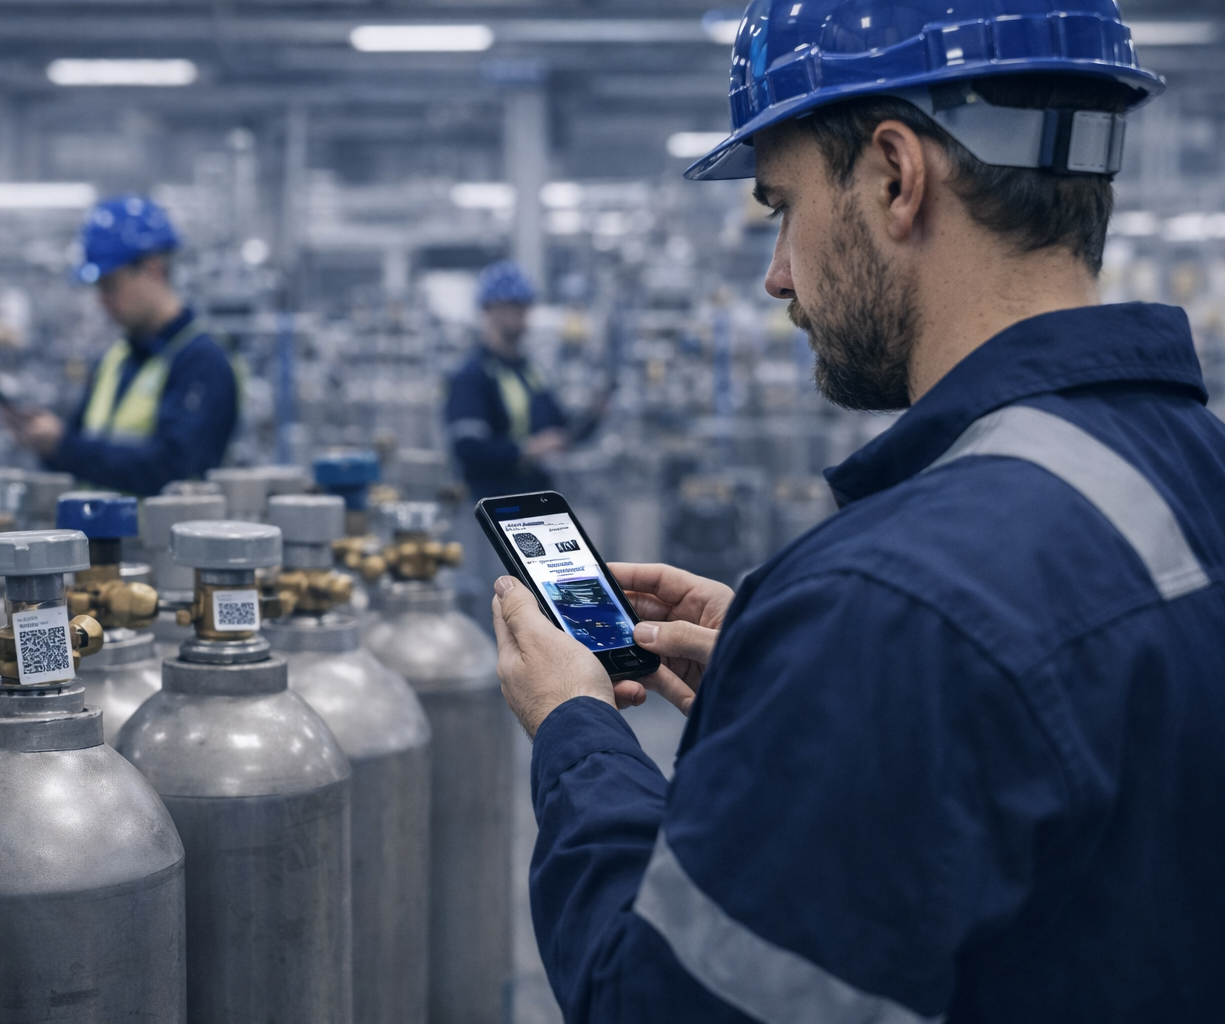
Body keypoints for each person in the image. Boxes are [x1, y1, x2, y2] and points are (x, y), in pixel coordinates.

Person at [491, 1, 1225, 1021]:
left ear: (894, 176)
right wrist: (783, 670)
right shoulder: (1188, 473)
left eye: (781, 205)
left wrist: (575, 729)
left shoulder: (893, 609)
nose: (777, 272)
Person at [5, 196, 238, 495]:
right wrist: (48, 443)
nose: (101, 300)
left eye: (110, 285)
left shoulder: (203, 360)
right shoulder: (116, 359)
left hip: (164, 542)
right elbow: (84, 452)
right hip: (102, 540)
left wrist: (64, 446)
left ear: (153, 270)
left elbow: (174, 469)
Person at [445, 260, 569, 499]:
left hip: (536, 499)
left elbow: (558, 427)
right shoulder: (471, 376)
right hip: (492, 506)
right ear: (489, 310)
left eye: (525, 307)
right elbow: (469, 450)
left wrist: (596, 413)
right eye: (513, 307)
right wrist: (529, 449)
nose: (522, 316)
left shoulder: (530, 372)